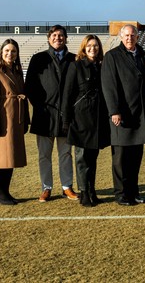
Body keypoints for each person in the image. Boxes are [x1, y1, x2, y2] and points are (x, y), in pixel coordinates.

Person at [26, 25, 78, 202]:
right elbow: (30, 87)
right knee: (44, 155)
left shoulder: (74, 60)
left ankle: (67, 187)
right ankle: (46, 187)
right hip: (44, 117)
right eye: (54, 35)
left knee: (65, 154)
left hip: (66, 116)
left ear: (65, 38)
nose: (58, 38)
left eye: (61, 35)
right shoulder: (38, 59)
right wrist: (40, 107)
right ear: (49, 38)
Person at [101, 24, 145, 206]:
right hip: (121, 114)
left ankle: (134, 192)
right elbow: (109, 85)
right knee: (120, 159)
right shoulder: (112, 56)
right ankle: (121, 194)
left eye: (132, 35)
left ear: (137, 37)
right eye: (126, 35)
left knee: (135, 158)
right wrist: (114, 110)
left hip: (138, 114)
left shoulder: (142, 55)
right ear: (121, 37)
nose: (129, 38)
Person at [61, 34, 110, 207]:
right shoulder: (76, 66)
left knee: (93, 158)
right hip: (80, 120)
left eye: (96, 46)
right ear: (84, 47)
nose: (93, 49)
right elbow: (67, 95)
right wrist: (66, 121)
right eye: (89, 46)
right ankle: (84, 193)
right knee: (82, 158)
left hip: (97, 120)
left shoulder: (102, 66)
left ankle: (92, 190)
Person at [0, 38, 29, 205]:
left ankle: (6, 192)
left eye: (13, 51)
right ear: (1, 52)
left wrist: (26, 120)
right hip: (2, 119)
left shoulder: (18, 72)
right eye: (7, 51)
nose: (10, 54)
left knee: (10, 157)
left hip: (15, 119)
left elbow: (23, 97)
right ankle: (1, 193)